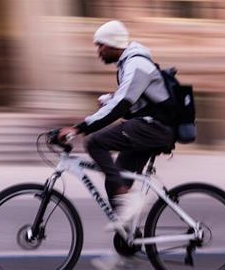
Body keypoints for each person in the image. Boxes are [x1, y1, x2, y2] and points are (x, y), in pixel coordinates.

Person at [58, 20, 176, 219]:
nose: (98, 51)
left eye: (100, 45)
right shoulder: (128, 64)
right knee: (115, 182)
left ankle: (128, 197)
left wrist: (79, 128)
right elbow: (130, 100)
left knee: (95, 142)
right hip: (145, 128)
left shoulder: (137, 64)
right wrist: (110, 99)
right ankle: (129, 239)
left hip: (155, 127)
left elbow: (122, 104)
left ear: (112, 44)